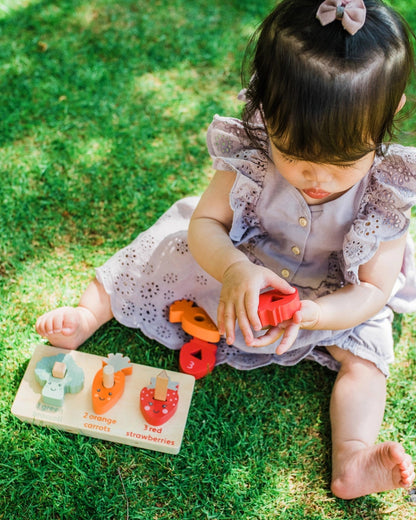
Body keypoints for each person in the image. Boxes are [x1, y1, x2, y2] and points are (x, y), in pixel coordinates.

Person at [36, 0, 416, 499]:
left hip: (333, 292)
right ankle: (88, 314)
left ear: (389, 114)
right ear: (265, 110)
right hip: (243, 259)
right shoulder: (251, 151)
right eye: (296, 155)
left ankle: (352, 454)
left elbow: (371, 288)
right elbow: (207, 223)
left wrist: (317, 313)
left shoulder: (388, 190)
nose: (317, 178)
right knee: (160, 252)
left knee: (366, 361)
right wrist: (234, 267)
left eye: (343, 163)